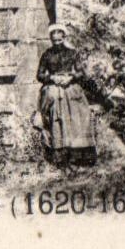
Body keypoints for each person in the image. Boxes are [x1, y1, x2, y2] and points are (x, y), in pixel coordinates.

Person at [36, 23, 96, 166]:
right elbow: (39, 75)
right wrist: (52, 78)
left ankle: (79, 154)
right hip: (53, 86)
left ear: (64, 38)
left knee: (79, 113)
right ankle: (59, 153)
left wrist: (71, 78)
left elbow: (81, 72)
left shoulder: (72, 53)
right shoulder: (47, 54)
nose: (57, 43)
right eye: (54, 40)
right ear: (51, 39)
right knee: (54, 105)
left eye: (60, 40)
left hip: (70, 85)